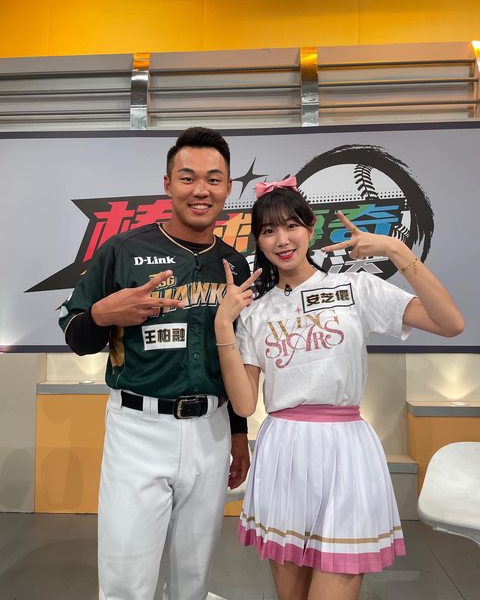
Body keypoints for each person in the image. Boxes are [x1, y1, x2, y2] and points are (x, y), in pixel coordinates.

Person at [214, 178, 464, 600]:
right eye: (269, 230)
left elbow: (450, 323)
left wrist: (396, 250)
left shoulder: (354, 288)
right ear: (258, 240)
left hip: (345, 452)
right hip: (283, 453)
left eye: (291, 225)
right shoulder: (256, 313)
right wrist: (224, 325)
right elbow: (242, 403)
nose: (282, 239)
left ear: (311, 228)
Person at [58, 127, 251, 600]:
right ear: (167, 184)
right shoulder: (122, 250)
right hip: (138, 429)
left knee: (193, 578)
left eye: (213, 179)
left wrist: (239, 434)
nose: (200, 190)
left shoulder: (235, 264)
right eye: (187, 177)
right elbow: (74, 332)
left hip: (211, 429)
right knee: (127, 581)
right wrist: (103, 314)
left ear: (228, 187)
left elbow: (236, 357)